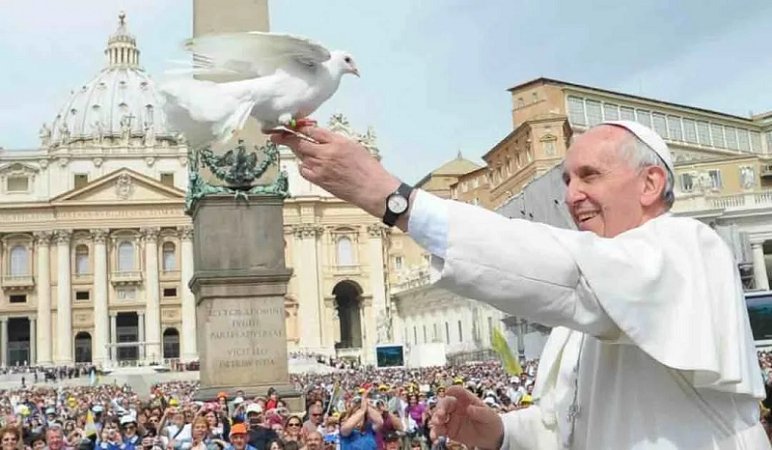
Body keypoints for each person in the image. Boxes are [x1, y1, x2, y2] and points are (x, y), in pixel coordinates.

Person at [272, 120, 769, 449]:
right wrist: (503, 431)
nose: (573, 195)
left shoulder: (688, 247)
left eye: (590, 176)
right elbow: (565, 424)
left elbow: (569, 270)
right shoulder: (580, 321)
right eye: (568, 180)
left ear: (650, 184)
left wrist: (394, 199)